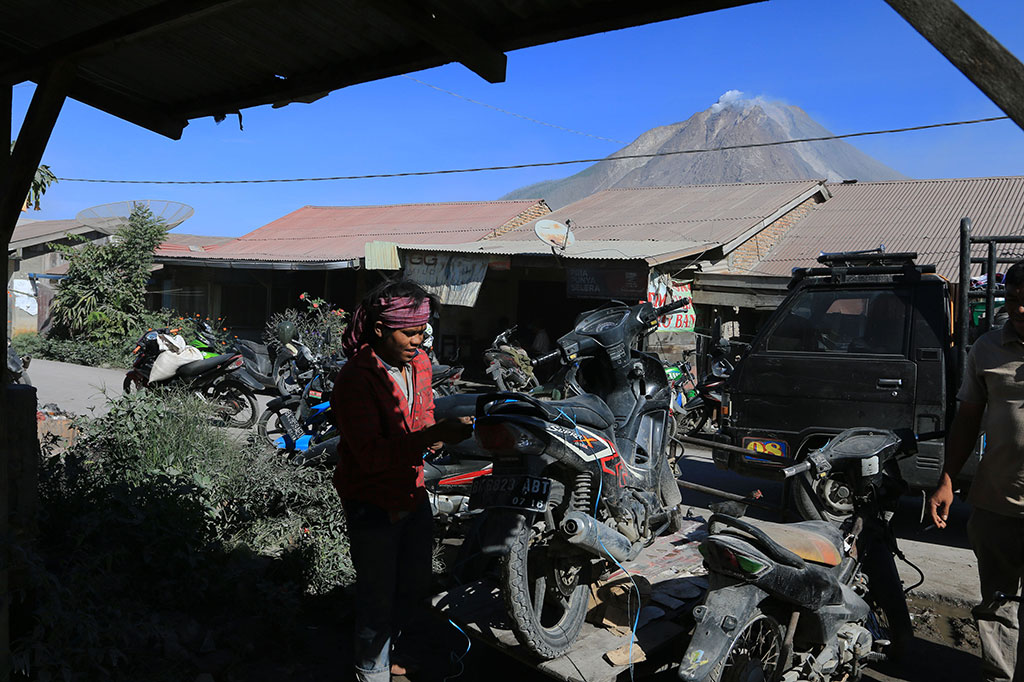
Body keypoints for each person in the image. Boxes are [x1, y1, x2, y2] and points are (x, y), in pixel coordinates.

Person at [331, 278, 473, 682]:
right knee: (377, 596)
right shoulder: (357, 379)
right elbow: (371, 456)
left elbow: (423, 415)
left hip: (411, 493)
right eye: (409, 333)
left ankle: (397, 656)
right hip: (371, 501)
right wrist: (430, 436)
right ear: (380, 330)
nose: (418, 340)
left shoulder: (420, 364)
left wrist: (436, 436)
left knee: (413, 586)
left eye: (421, 331)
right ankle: (370, 670)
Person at [929, 260, 1024, 682]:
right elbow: (968, 419)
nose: (1020, 309)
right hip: (997, 501)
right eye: (1014, 298)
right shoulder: (987, 349)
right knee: (999, 603)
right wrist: (947, 480)